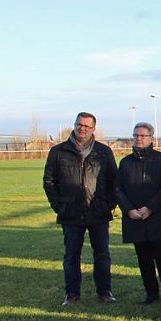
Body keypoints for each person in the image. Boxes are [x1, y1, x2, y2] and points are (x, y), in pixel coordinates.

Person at [43, 112, 118, 306]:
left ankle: (104, 291)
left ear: (93, 128)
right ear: (74, 125)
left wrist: (109, 204)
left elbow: (113, 181)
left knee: (102, 254)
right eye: (79, 124)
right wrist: (58, 205)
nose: (81, 128)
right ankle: (71, 294)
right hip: (70, 212)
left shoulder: (104, 152)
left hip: (98, 211)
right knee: (71, 255)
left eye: (86, 126)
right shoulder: (58, 152)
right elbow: (49, 181)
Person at [115, 122, 161, 307]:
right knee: (143, 258)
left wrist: (150, 207)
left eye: (143, 136)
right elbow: (118, 189)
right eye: (136, 135)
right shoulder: (125, 162)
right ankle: (151, 293)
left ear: (151, 138)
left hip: (157, 216)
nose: (139, 139)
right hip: (135, 218)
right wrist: (128, 210)